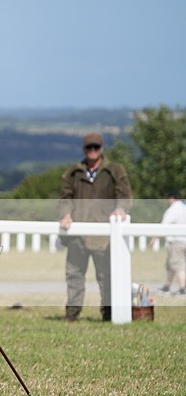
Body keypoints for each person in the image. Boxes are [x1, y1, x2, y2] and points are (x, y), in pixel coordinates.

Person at [59, 133, 132, 322]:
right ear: (84, 149)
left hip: (104, 235)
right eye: (89, 147)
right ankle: (72, 314)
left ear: (102, 149)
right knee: (74, 275)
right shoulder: (73, 172)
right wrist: (65, 214)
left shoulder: (115, 170)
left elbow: (124, 195)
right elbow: (65, 198)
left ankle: (108, 314)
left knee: (106, 277)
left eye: (96, 147)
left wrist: (120, 210)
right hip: (77, 234)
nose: (92, 151)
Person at [160, 190, 186, 295]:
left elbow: (164, 225)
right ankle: (167, 286)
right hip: (184, 240)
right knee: (172, 265)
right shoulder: (184, 207)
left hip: (176, 241)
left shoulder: (173, 209)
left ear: (171, 198)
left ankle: (182, 288)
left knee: (178, 265)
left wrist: (154, 238)